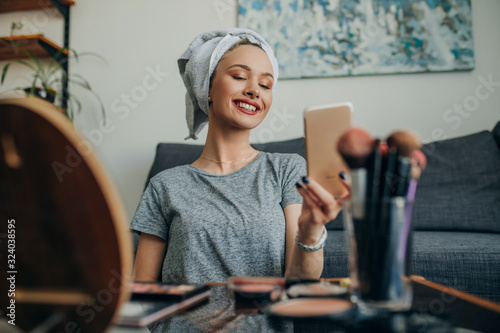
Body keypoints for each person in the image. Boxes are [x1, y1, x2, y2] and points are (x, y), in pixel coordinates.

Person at [131, 29, 346, 284]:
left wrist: (310, 232)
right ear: (207, 86)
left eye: (265, 84)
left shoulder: (287, 170)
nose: (255, 90)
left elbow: (299, 283)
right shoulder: (164, 185)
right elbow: (142, 290)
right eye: (240, 76)